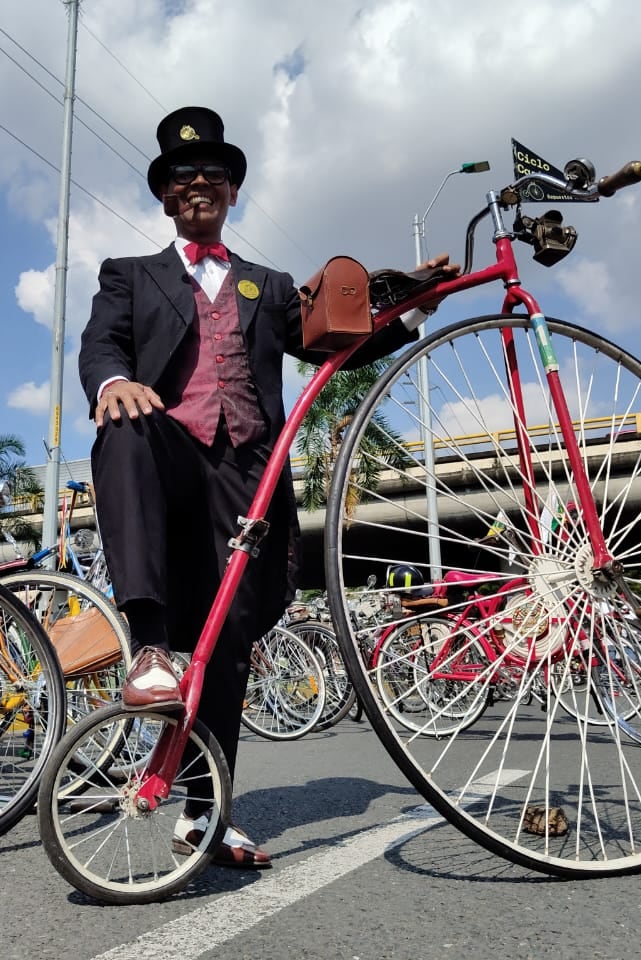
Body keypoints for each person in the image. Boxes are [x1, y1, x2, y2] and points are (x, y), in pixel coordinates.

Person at [78, 106, 452, 869]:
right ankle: (149, 648)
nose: (197, 184)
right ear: (165, 198)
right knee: (124, 426)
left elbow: (331, 349)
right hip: (166, 454)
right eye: (182, 176)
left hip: (246, 473)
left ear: (232, 191)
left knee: (228, 644)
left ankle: (203, 816)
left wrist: (413, 310)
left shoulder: (267, 285)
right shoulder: (129, 275)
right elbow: (102, 342)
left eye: (213, 174)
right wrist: (114, 380)